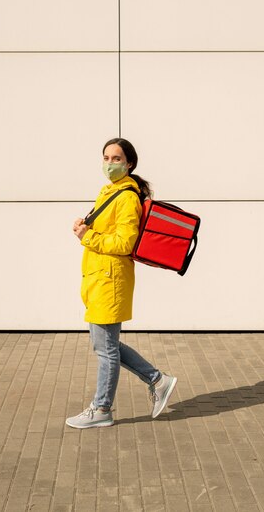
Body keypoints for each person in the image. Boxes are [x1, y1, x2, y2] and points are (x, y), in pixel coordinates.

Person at [66, 138, 177, 429]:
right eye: (106, 157)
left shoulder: (127, 197)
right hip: (98, 277)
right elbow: (106, 230)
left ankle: (102, 408)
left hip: (110, 279)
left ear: (129, 163)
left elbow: (125, 241)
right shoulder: (109, 191)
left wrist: (86, 236)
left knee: (105, 349)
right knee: (105, 344)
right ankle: (158, 379)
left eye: (116, 159)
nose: (109, 164)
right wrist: (86, 225)